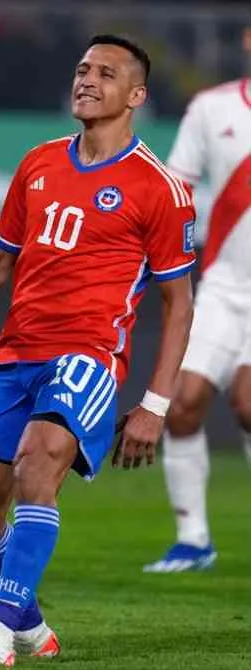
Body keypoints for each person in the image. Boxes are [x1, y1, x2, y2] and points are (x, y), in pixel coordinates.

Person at [0, 35, 196, 666]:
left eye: (106, 74)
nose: (87, 80)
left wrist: (155, 405)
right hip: (13, 353)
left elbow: (178, 303)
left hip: (88, 355)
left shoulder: (160, 188)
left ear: (136, 96)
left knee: (37, 463)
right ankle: (29, 628)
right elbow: (0, 260)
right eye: (82, 69)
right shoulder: (39, 164)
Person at [144, 26, 251, 574]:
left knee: (250, 406)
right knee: (182, 403)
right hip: (223, 287)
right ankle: (193, 539)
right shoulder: (211, 109)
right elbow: (175, 189)